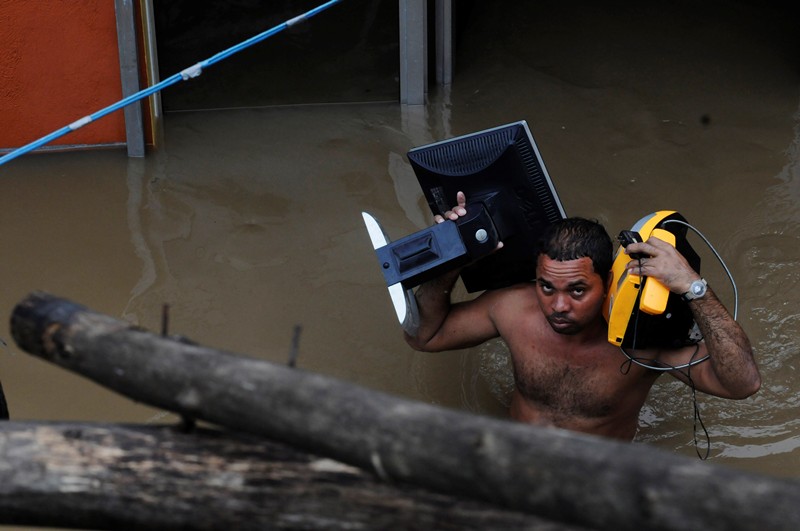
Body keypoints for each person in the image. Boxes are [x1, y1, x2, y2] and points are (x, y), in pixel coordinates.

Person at [404, 192, 761, 440]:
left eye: (577, 290)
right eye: (546, 287)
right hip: (514, 458)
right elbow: (424, 337)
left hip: (596, 480)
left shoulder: (641, 344)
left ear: (608, 284)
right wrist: (450, 264)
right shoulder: (511, 308)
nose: (558, 306)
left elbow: (742, 384)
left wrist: (692, 286)